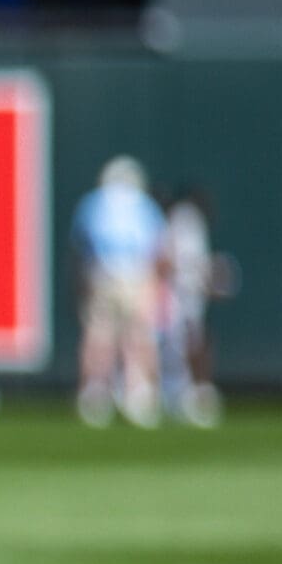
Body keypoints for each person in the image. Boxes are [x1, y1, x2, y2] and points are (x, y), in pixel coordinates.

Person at [73, 156, 167, 427]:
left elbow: (80, 247)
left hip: (104, 274)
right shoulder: (143, 205)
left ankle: (96, 393)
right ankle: (137, 394)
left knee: (101, 337)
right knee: (135, 338)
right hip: (134, 275)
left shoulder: (94, 202)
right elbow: (158, 251)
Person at [158, 186, 223, 427]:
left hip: (188, 293)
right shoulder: (185, 220)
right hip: (179, 293)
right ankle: (181, 392)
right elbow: (175, 261)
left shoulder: (189, 221)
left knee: (190, 340)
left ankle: (190, 392)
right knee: (181, 341)